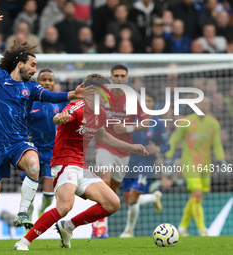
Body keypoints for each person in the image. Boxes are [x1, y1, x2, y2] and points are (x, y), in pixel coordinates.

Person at [0, 11, 84, 245]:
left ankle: (23, 212)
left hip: (18, 142)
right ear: (21, 63)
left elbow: (50, 96)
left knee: (33, 165)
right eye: (33, 65)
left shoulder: (31, 89)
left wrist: (71, 94)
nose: (35, 70)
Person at [14, 74, 148, 251]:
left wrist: (133, 147)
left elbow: (103, 136)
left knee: (113, 203)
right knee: (64, 206)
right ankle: (24, 241)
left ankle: (68, 226)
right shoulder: (78, 106)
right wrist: (60, 118)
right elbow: (63, 116)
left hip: (81, 166)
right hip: (64, 163)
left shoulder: (101, 112)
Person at [92, 64, 149, 238]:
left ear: (127, 78)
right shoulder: (102, 96)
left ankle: (98, 218)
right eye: (115, 75)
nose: (119, 78)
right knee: (105, 179)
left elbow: (147, 122)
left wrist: (128, 129)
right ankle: (99, 225)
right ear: (111, 78)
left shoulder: (134, 98)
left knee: (113, 189)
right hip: (104, 146)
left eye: (122, 75)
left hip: (123, 152)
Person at [165, 97, 226, 237]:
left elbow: (216, 144)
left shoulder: (214, 124)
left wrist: (222, 162)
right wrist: (169, 158)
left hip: (205, 165)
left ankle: (182, 227)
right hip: (189, 163)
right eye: (200, 104)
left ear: (209, 106)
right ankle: (202, 229)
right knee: (197, 193)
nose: (203, 106)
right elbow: (174, 140)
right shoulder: (185, 122)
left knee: (196, 197)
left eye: (205, 104)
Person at [12, 69, 63, 233]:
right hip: (31, 151)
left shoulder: (60, 103)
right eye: (43, 80)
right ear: (37, 82)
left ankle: (42, 211)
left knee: (48, 196)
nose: (47, 82)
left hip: (52, 153)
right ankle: (28, 219)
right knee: (30, 195)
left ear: (54, 83)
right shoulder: (29, 102)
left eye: (50, 80)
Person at [120, 89, 170, 238]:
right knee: (128, 200)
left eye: (149, 101)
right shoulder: (131, 120)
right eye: (144, 101)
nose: (146, 104)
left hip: (146, 163)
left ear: (154, 104)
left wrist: (158, 148)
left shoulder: (158, 123)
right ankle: (154, 197)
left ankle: (128, 231)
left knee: (134, 195)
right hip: (129, 162)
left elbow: (167, 146)